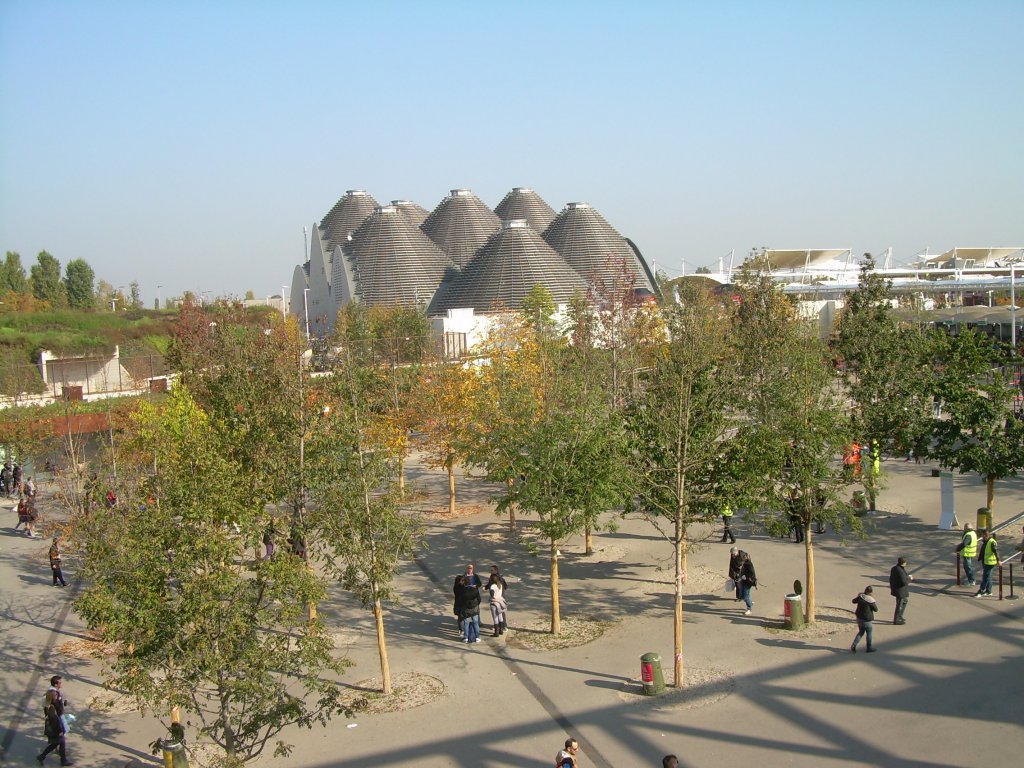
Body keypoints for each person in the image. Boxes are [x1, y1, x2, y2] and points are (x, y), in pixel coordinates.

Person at [38, 675, 72, 765]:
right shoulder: (52, 710)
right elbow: (53, 720)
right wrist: (59, 731)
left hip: (58, 722)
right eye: (60, 682)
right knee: (59, 742)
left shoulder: (53, 701)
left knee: (59, 742)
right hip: (56, 726)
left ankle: (44, 757)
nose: (61, 684)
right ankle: (61, 760)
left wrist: (62, 704)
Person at [850, 585, 878, 653]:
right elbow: (876, 609)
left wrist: (858, 596)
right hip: (867, 619)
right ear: (871, 592)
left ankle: (854, 644)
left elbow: (853, 601)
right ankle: (869, 648)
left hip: (859, 617)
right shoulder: (871, 600)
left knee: (861, 632)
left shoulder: (861, 596)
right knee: (869, 633)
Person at [889, 557, 913, 624]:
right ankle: (896, 619)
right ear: (903, 563)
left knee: (904, 601)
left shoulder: (894, 568)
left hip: (896, 589)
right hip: (900, 591)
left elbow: (891, 578)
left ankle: (900, 616)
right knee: (900, 605)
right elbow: (903, 582)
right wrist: (909, 579)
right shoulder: (900, 571)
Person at [975, 530, 999, 597]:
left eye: (983, 536)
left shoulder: (991, 542)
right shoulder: (986, 541)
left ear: (986, 535)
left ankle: (981, 590)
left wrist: (998, 560)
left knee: (985, 577)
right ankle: (989, 591)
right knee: (988, 576)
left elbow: (996, 551)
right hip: (986, 561)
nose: (982, 537)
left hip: (990, 562)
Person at [458, 576, 481, 643]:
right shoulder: (475, 590)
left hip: (466, 609)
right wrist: (476, 604)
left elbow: (460, 600)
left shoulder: (463, 591)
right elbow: (479, 599)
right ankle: (477, 637)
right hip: (474, 608)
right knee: (475, 622)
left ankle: (466, 637)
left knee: (466, 623)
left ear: (464, 583)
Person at [487, 568, 508, 636]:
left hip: (494, 603)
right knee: (500, 615)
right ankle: (501, 630)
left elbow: (492, 594)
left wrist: (493, 597)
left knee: (495, 617)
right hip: (500, 601)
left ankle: (496, 632)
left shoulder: (493, 586)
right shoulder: (500, 585)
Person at [737, 551, 757, 615]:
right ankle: (750, 603)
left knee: (746, 596)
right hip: (744, 581)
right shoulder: (745, 563)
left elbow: (752, 574)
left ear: (746, 557)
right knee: (745, 595)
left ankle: (749, 608)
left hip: (748, 582)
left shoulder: (749, 564)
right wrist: (740, 577)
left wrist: (745, 576)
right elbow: (742, 572)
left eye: (744, 557)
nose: (742, 558)